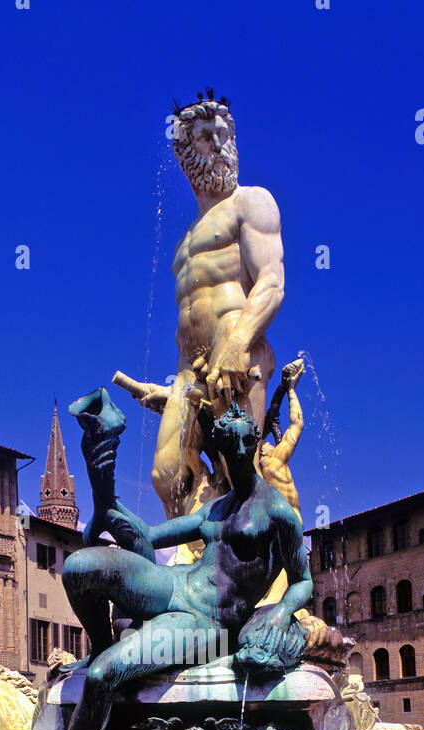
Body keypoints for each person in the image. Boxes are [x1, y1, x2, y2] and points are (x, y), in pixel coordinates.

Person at [14, 400, 312, 730]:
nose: (233, 456)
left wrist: (283, 610)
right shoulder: (216, 509)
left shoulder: (278, 513)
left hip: (205, 623)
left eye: (241, 446)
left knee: (102, 677)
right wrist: (108, 506)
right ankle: (101, 641)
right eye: (226, 448)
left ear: (252, 445)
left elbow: (303, 580)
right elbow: (150, 537)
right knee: (79, 568)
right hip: (173, 585)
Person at [116, 95, 284, 519]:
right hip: (189, 369)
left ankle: (258, 571)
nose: (220, 144)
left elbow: (272, 281)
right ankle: (190, 567)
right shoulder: (184, 242)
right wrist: (170, 387)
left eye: (225, 134)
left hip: (237, 354)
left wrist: (240, 339)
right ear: (185, 151)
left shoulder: (252, 202)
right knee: (166, 475)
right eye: (207, 137)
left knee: (238, 471)